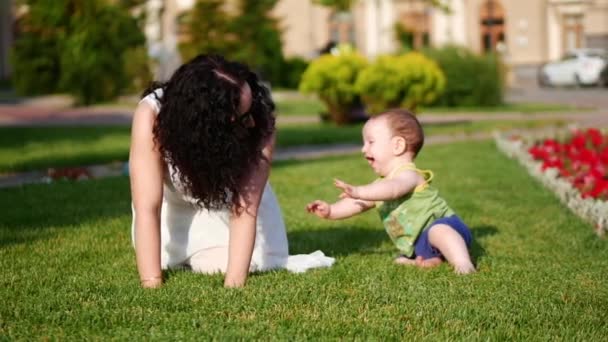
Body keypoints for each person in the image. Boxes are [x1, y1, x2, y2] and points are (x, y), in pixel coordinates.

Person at [129, 54, 332, 289]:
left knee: (249, 262)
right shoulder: (152, 115)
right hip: (174, 212)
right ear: (210, 123)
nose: (252, 122)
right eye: (241, 116)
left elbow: (244, 210)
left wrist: (234, 286)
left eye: (251, 106)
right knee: (166, 258)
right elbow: (147, 207)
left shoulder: (260, 123)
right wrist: (151, 282)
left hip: (230, 208)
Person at [306, 109, 475, 274]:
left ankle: (463, 263)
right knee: (402, 258)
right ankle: (432, 260)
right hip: (419, 243)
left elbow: (394, 189)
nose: (363, 149)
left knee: (438, 232)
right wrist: (331, 211)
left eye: (370, 142)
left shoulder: (409, 175)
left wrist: (358, 190)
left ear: (397, 145)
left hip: (447, 228)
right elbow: (358, 203)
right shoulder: (380, 186)